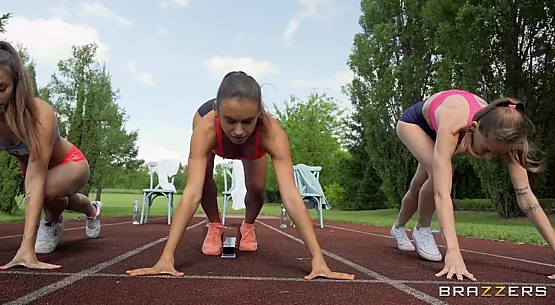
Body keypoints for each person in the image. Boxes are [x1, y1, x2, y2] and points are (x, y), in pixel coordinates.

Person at [126, 71, 354, 280]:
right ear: (217, 111)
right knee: (203, 181)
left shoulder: (271, 133)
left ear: (259, 114)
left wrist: (318, 259)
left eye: (247, 121)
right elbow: (191, 192)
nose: (237, 130)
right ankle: (214, 225)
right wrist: (167, 256)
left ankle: (248, 226)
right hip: (211, 133)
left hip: (252, 146)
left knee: (256, 189)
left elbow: (291, 195)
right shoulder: (205, 129)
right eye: (230, 120)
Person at [0, 41, 103, 270]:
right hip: (32, 169)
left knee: (47, 192)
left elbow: (35, 179)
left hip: (70, 163)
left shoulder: (39, 114)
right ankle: (92, 209)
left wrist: (26, 247)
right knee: (54, 197)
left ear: (16, 82)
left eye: (1, 88)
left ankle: (52, 221)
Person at [390, 89, 555, 281]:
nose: (488, 157)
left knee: (418, 184)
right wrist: (453, 252)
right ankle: (421, 228)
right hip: (415, 124)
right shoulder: (453, 125)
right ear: (475, 127)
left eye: (497, 154)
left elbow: (526, 197)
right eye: (486, 149)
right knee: (439, 176)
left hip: (443, 124)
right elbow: (442, 194)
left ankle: (398, 228)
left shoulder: (508, 136)